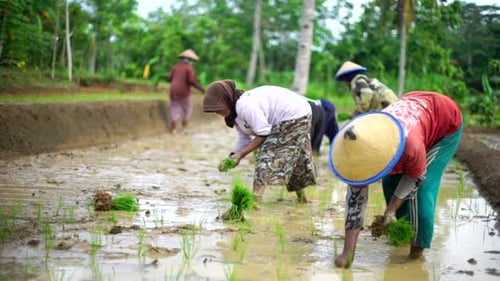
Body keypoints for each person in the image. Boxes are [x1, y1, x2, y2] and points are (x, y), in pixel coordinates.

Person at [329, 91, 463, 268]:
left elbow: (415, 177)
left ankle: (416, 252)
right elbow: (355, 202)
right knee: (391, 183)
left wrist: (391, 210)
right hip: (413, 105)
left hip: (444, 124)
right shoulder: (356, 154)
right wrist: (347, 253)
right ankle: (401, 233)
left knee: (420, 194)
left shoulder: (410, 145)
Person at [203, 80, 316, 203]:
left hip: (294, 114)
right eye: (214, 110)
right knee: (293, 156)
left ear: (227, 100)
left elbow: (263, 134)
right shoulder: (235, 113)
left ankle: (255, 199)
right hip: (295, 113)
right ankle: (302, 199)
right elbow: (244, 138)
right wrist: (233, 156)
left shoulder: (245, 106)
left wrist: (241, 155)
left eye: (218, 108)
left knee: (267, 154)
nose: (217, 112)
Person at [167, 49, 205, 132]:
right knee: (187, 108)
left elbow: (169, 78)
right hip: (184, 92)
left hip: (173, 91)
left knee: (175, 108)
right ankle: (184, 126)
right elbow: (191, 81)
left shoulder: (175, 66)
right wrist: (201, 89)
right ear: (191, 60)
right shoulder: (189, 68)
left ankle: (173, 128)